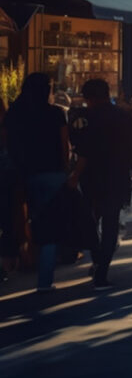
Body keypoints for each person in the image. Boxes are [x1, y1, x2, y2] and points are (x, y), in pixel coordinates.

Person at [70, 78, 132, 291]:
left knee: (90, 219)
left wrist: (75, 174)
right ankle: (102, 270)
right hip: (116, 176)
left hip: (91, 176)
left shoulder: (86, 117)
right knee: (111, 223)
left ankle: (96, 257)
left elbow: (81, 148)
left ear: (88, 98)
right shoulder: (123, 116)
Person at [3, 73, 69, 293]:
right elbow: (64, 145)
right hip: (52, 173)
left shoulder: (15, 113)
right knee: (48, 225)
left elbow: (7, 142)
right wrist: (65, 169)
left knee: (19, 219)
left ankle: (17, 260)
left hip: (22, 173)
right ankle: (44, 280)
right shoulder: (55, 113)